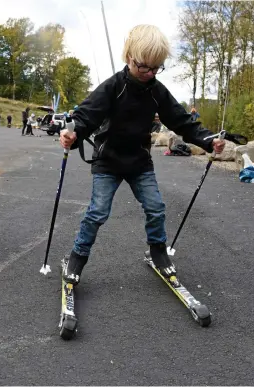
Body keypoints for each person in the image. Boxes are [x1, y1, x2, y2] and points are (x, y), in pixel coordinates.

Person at [59, 24, 226, 285]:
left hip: (139, 163)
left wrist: (208, 139)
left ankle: (158, 252)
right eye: (143, 67)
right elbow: (86, 116)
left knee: (156, 208)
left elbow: (182, 121)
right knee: (98, 212)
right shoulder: (114, 86)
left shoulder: (157, 91)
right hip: (108, 161)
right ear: (129, 57)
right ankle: (77, 256)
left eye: (156, 67)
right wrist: (73, 133)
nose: (149, 73)